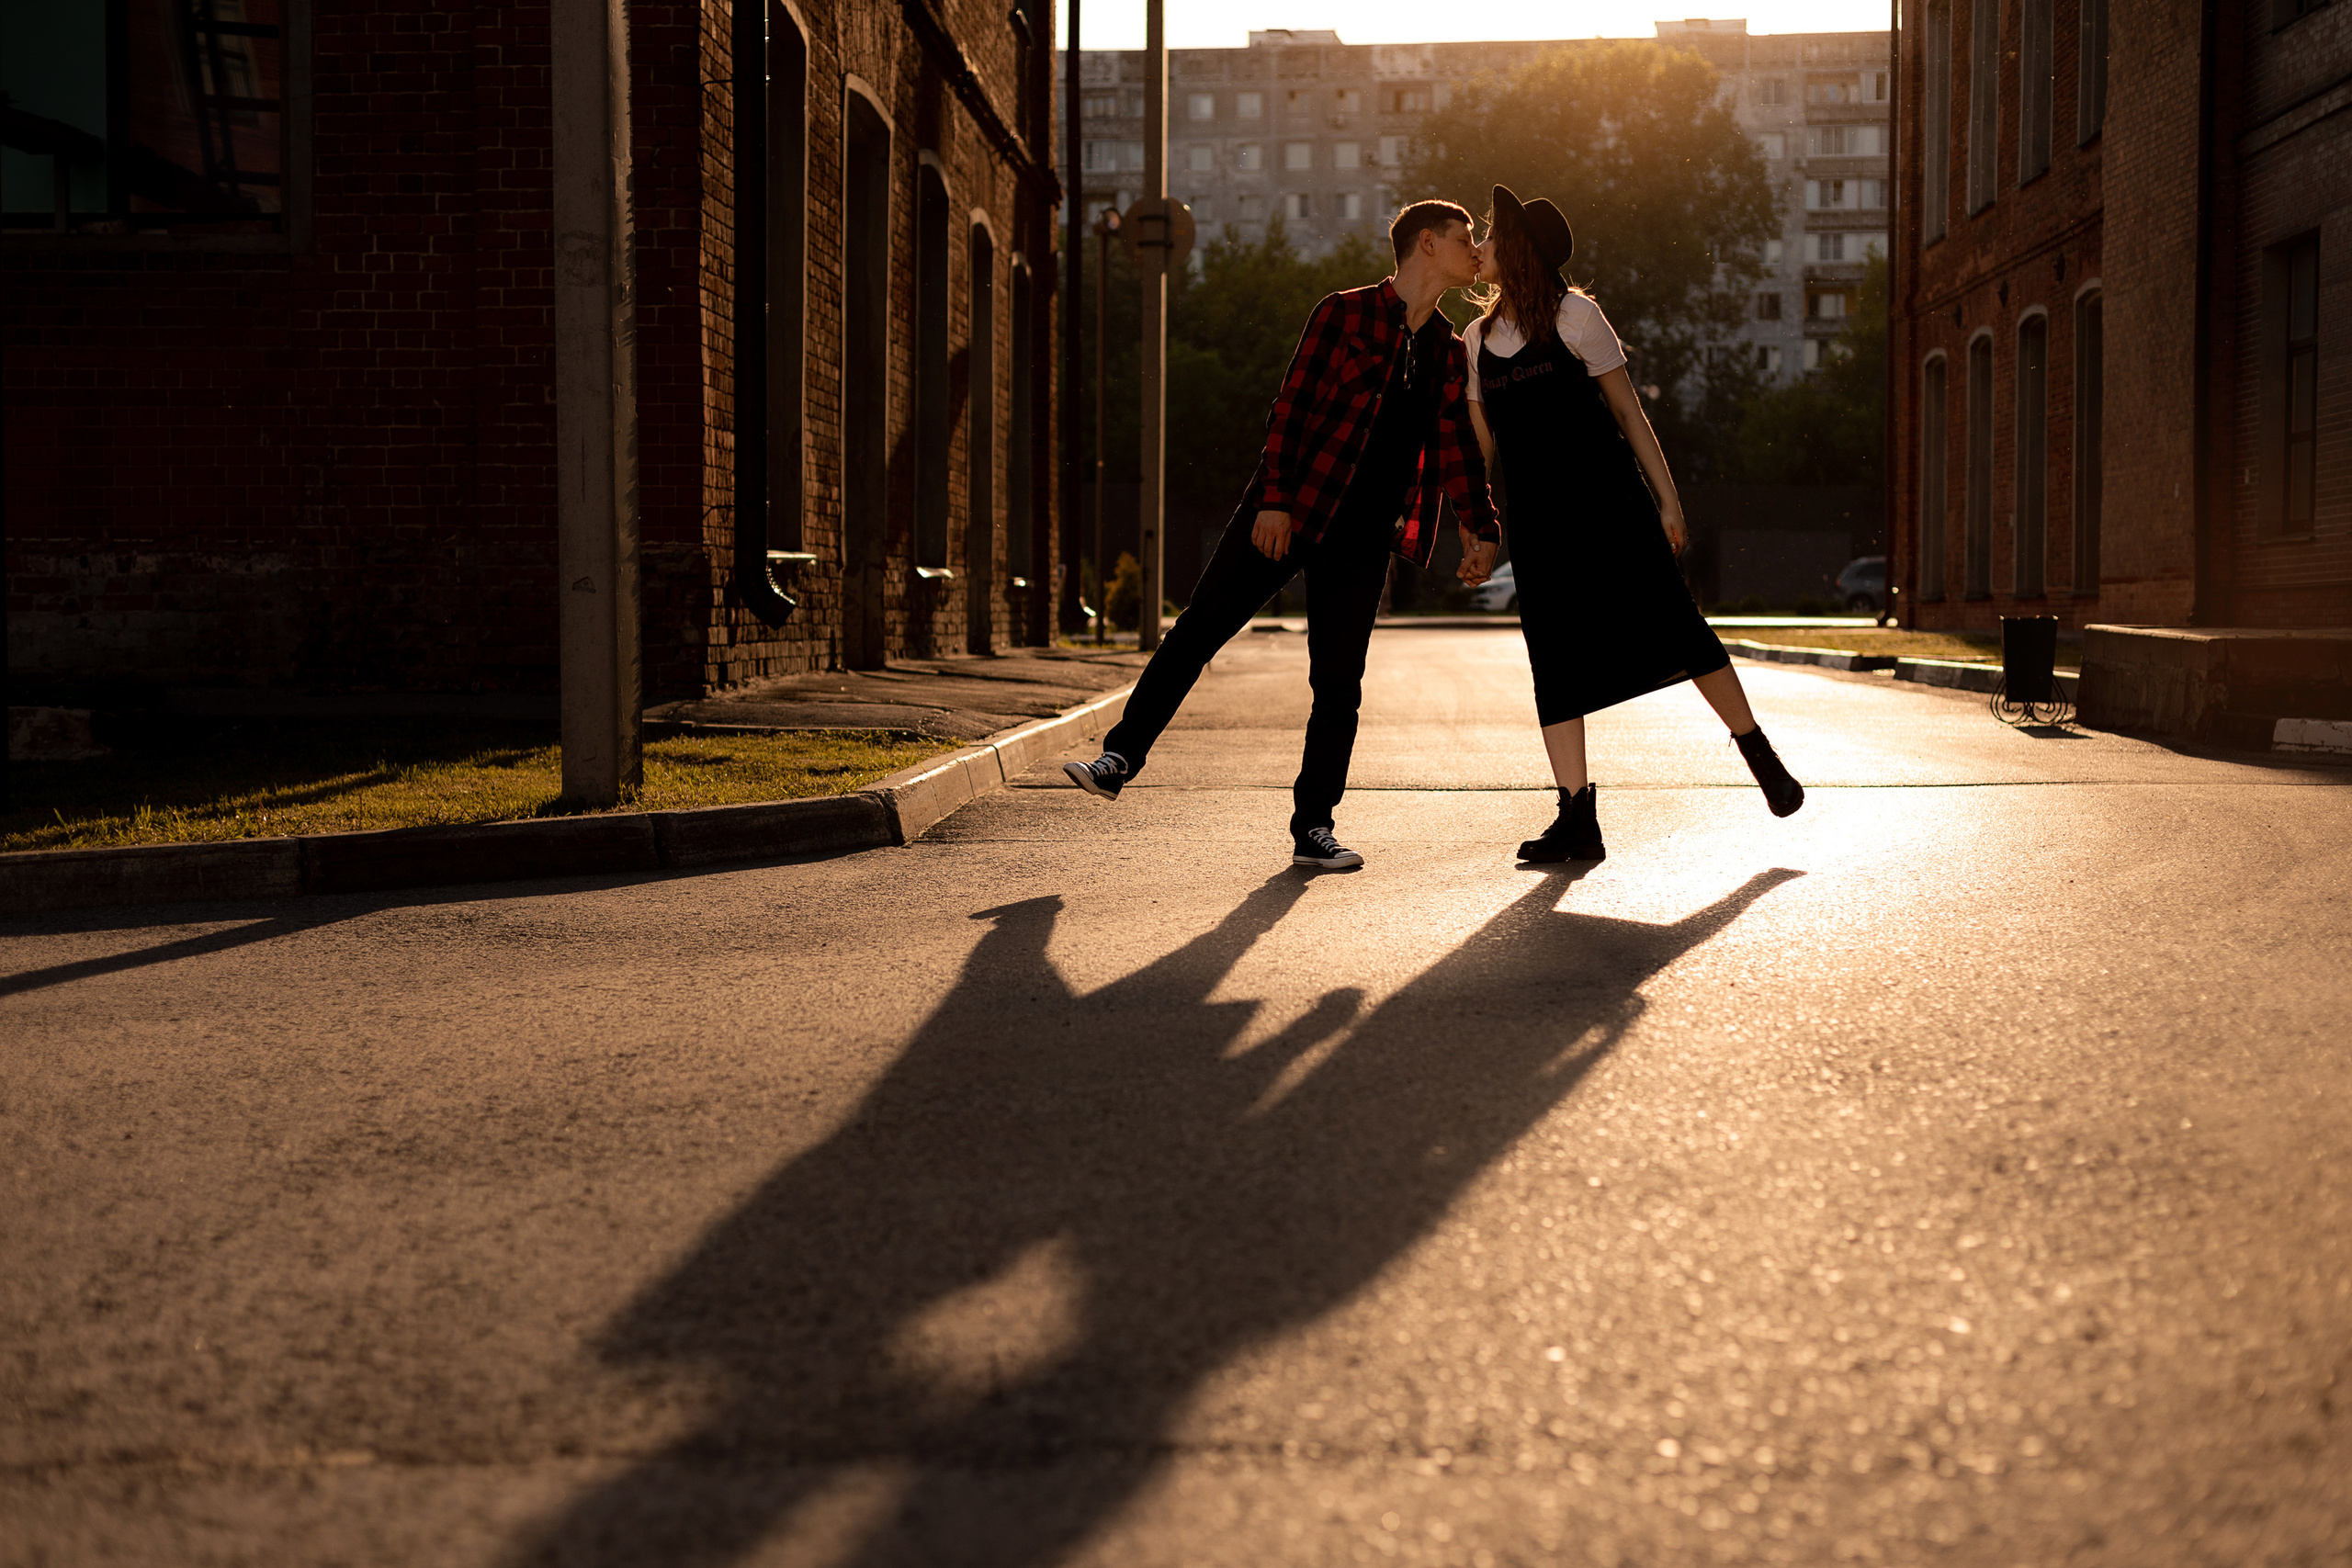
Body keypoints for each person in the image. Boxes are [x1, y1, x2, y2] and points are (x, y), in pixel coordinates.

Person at [1062, 201, 1499, 870]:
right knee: (1200, 628)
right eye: (1467, 238)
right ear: (1427, 244)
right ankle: (1119, 756)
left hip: (1361, 538)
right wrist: (1272, 501)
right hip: (1291, 510)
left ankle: (1313, 827)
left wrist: (1480, 528)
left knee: (1338, 684)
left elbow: (1456, 448)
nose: (1477, 252)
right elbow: (1289, 409)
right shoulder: (1343, 313)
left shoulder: (1447, 349)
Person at [1463, 185, 1804, 863]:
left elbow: (1629, 416)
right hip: (1540, 529)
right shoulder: (1474, 340)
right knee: (1553, 661)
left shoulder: (1577, 316)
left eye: (1492, 236)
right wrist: (1477, 530)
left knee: (1679, 627)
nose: (1481, 247)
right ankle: (1577, 817)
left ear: (1520, 250)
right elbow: (1480, 451)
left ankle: (1757, 751)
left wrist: (1669, 501)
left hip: (1611, 509)